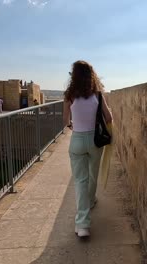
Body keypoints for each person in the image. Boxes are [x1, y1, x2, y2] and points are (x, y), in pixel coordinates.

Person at [63, 60, 112, 238]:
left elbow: (66, 120)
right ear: (91, 76)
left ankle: (82, 225)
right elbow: (109, 117)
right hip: (94, 140)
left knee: (80, 181)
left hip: (77, 140)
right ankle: (91, 201)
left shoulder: (69, 95)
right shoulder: (97, 95)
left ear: (73, 76)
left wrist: (71, 124)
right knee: (93, 174)